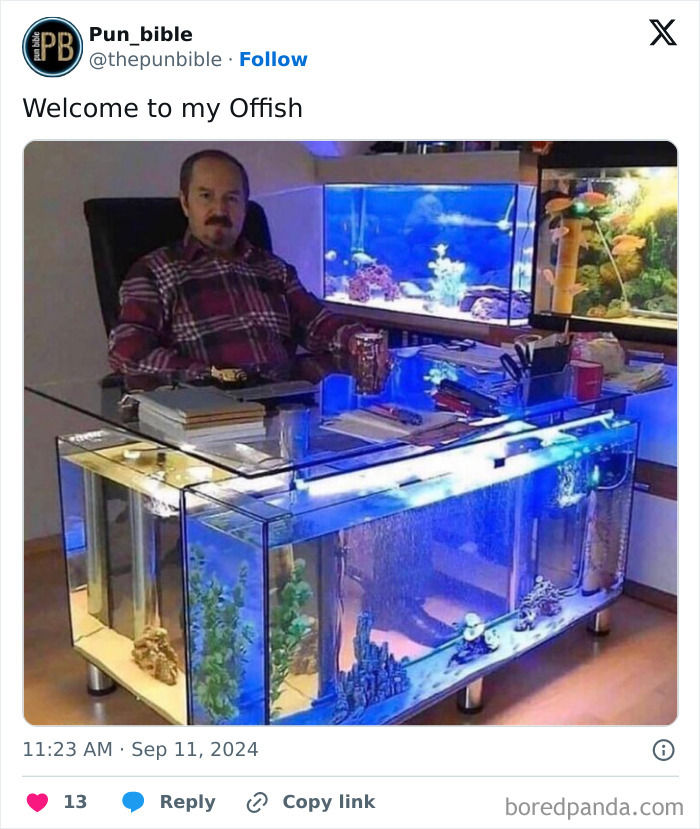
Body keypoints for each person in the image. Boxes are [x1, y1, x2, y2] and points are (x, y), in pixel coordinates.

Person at [108, 149, 368, 377]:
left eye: (231, 198)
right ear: (185, 203)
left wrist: (359, 340)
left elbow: (319, 325)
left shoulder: (274, 270)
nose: (219, 210)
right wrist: (212, 377)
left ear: (245, 205)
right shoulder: (153, 272)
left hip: (281, 411)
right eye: (206, 196)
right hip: (204, 416)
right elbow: (128, 354)